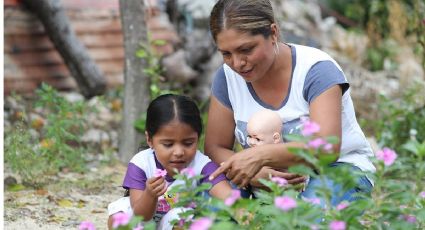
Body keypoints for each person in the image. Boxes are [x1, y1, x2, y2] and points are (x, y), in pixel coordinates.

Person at [205, 0, 375, 207]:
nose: (238, 63)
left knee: (311, 218)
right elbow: (215, 147)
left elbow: (327, 147)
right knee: (209, 207)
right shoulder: (227, 78)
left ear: (273, 33)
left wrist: (260, 157)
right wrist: (255, 173)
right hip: (259, 179)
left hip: (334, 169)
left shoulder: (316, 70)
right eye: (226, 54)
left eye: (246, 49)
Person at [107, 94, 233, 229]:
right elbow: (141, 216)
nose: (179, 152)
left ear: (198, 138)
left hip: (173, 222)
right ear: (150, 140)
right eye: (168, 144)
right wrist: (150, 195)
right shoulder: (141, 163)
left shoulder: (202, 165)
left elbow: (229, 197)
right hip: (142, 221)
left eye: (188, 143)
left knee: (182, 217)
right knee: (118, 216)